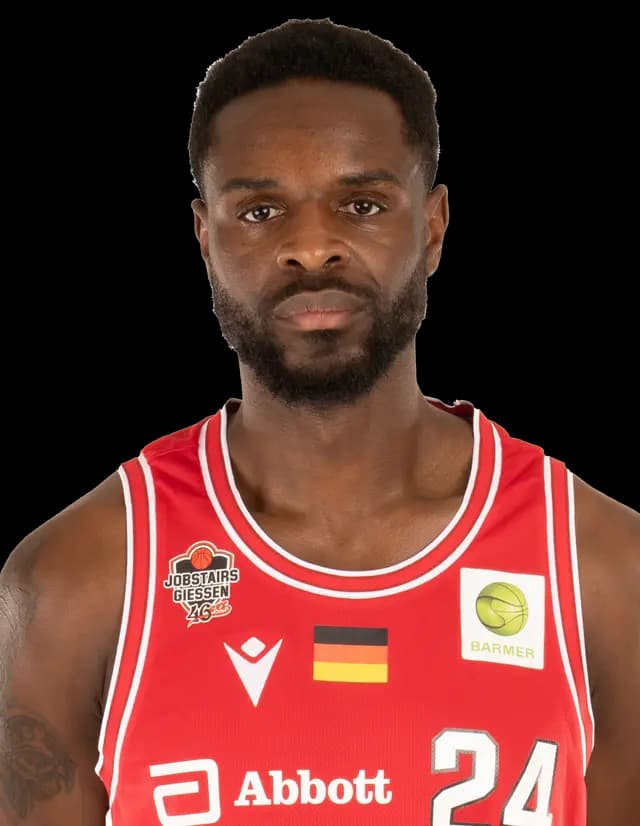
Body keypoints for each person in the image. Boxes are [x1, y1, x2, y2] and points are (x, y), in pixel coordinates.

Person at [0, 17, 638, 826]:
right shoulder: (77, 581)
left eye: (361, 203)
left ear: (432, 227)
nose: (311, 247)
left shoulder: (605, 572)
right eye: (260, 211)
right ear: (204, 238)